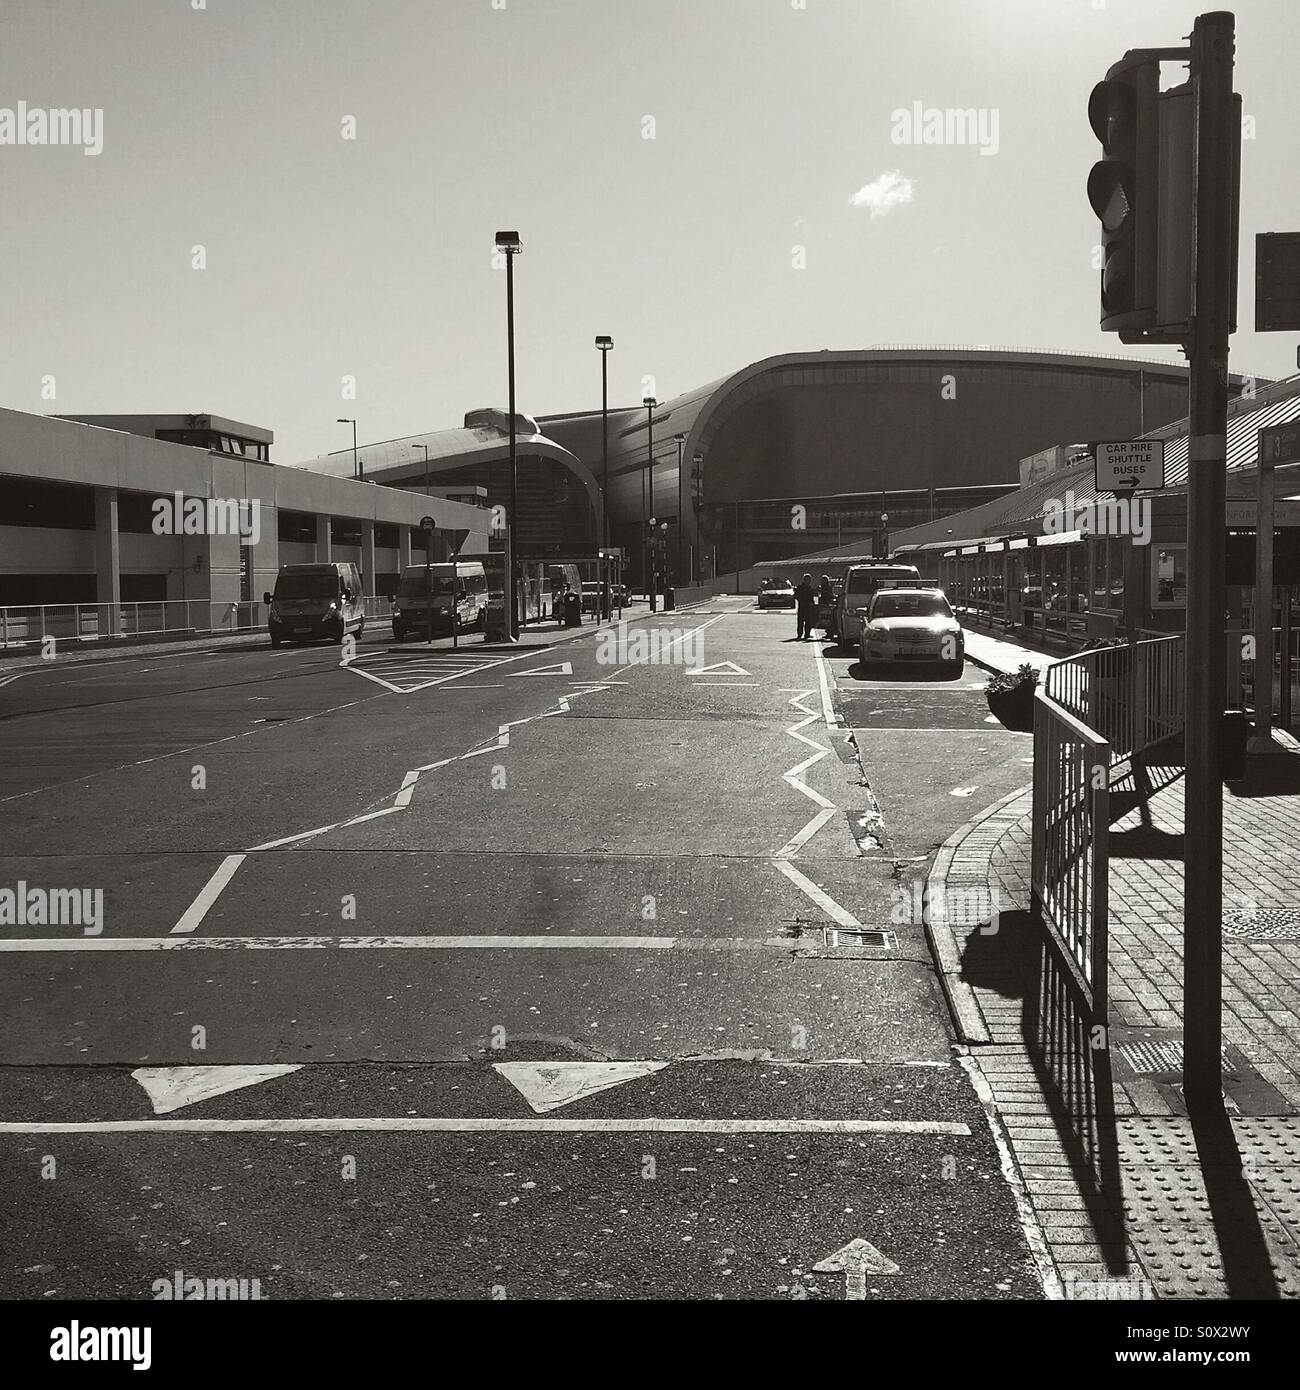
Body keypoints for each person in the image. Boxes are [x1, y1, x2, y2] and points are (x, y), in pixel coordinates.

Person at [795, 572, 816, 640]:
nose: (809, 581)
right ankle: (799, 635)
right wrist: (802, 601)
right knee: (801, 622)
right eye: (807, 579)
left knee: (808, 622)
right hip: (802, 607)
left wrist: (812, 604)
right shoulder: (800, 587)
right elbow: (797, 596)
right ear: (804, 580)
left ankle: (807, 634)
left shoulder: (810, 588)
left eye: (809, 580)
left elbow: (812, 597)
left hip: (809, 607)